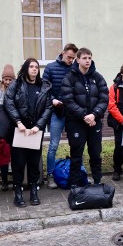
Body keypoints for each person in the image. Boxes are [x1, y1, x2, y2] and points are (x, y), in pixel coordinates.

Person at [3, 58, 52, 207]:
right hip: (19, 130)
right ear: (26, 68)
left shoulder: (44, 86)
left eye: (36, 67)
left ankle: (33, 191)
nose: (34, 69)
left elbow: (48, 107)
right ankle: (18, 193)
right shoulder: (16, 85)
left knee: (33, 162)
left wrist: (39, 126)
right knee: (18, 163)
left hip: (36, 131)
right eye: (31, 66)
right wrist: (18, 122)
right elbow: (8, 103)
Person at [60, 47, 108, 186]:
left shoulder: (98, 77)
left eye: (89, 58)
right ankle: (74, 184)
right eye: (84, 58)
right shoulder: (69, 78)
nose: (87, 61)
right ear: (78, 59)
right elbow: (68, 101)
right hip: (76, 122)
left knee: (95, 153)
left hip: (94, 122)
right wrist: (85, 116)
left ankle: (97, 181)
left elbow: (104, 98)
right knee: (76, 154)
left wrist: (94, 115)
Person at [42, 43, 78, 189]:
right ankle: (50, 175)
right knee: (53, 145)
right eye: (69, 57)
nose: (71, 60)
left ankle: (75, 173)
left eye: (73, 58)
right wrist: (52, 100)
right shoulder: (50, 68)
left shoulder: (75, 69)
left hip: (72, 113)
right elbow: (44, 89)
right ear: (63, 53)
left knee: (76, 145)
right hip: (57, 112)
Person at [107, 64, 123, 181]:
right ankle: (117, 169)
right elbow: (112, 106)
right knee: (119, 146)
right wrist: (122, 120)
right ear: (122, 73)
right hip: (119, 121)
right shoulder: (114, 87)